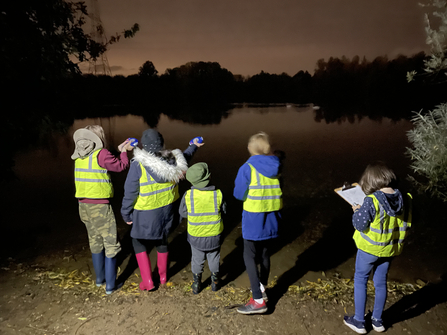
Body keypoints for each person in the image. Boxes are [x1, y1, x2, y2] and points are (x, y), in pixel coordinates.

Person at [121, 129, 203, 291]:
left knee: (138, 242)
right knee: (162, 239)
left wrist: (126, 212)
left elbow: (130, 191)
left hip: (145, 212)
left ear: (144, 146)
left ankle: (148, 282)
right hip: (167, 211)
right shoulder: (173, 160)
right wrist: (193, 145)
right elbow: (185, 157)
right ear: (162, 143)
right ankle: (163, 277)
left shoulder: (139, 165)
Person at [343, 162, 413, 334]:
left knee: (361, 279)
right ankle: (377, 320)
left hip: (369, 249)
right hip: (390, 249)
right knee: (380, 282)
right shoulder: (405, 198)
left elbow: (359, 225)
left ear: (370, 181)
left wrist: (357, 211)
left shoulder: (371, 201)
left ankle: (359, 321)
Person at [72, 125, 134, 294]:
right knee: (111, 244)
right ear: (99, 138)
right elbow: (121, 166)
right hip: (99, 206)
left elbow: (103, 160)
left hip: (83, 205)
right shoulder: (102, 154)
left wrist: (118, 149)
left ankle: (100, 280)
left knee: (95, 241)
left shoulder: (79, 153)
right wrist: (124, 152)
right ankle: (111, 286)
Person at [233, 132, 282, 314]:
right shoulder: (276, 166)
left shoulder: (247, 168)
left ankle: (258, 300)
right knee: (265, 254)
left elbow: (239, 194)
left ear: (250, 150)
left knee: (249, 256)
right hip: (272, 217)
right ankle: (262, 288)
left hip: (254, 218)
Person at [179, 162, 226, 294]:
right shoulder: (218, 194)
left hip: (195, 236)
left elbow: (182, 213)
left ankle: (196, 285)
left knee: (197, 259)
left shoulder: (188, 195)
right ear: (209, 177)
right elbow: (224, 211)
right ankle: (215, 283)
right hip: (215, 235)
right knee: (214, 257)